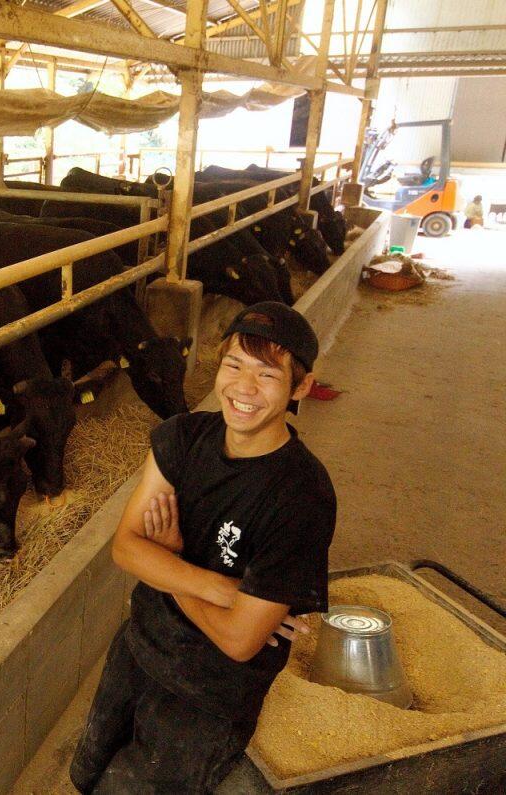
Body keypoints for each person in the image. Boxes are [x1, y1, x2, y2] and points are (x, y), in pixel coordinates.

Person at [70, 302, 337, 794]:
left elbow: (238, 642)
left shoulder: (302, 496)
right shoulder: (183, 436)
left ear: (301, 387)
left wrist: (167, 566)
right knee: (86, 772)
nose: (243, 388)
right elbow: (126, 549)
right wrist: (226, 589)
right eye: (234, 365)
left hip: (210, 693)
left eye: (267, 374)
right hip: (138, 646)